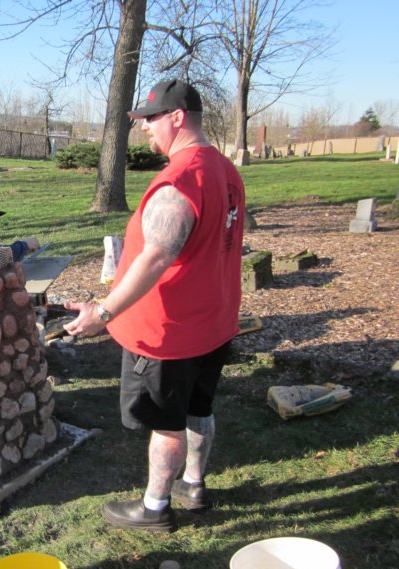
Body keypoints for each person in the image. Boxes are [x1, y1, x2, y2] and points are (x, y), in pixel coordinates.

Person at [64, 79, 245, 532]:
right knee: (199, 408)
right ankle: (195, 485)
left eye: (151, 119)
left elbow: (157, 256)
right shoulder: (226, 170)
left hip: (169, 331)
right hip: (214, 322)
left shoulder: (181, 180)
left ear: (177, 118)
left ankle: (155, 507)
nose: (145, 129)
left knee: (167, 422)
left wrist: (103, 313)